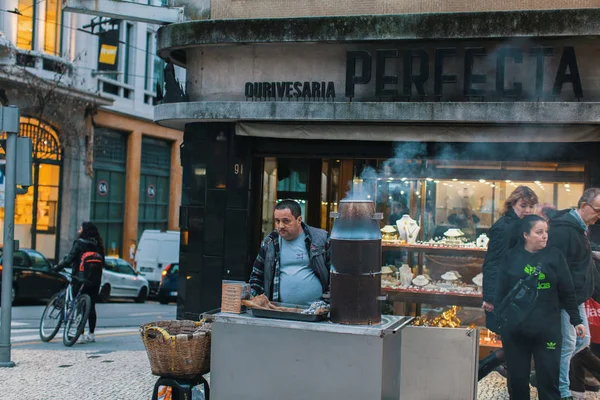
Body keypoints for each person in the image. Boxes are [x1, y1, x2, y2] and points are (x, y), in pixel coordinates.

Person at [495, 215, 586, 400]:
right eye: (539, 232)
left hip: (547, 329)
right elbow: (500, 293)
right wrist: (498, 323)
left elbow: (568, 292)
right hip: (515, 330)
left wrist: (577, 321)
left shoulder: (555, 256)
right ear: (526, 235)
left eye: (546, 232)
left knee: (549, 380)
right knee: (518, 381)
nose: (545, 236)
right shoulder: (511, 257)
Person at [478, 185, 538, 382]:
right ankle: (480, 371)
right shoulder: (504, 226)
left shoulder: (521, 225)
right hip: (505, 296)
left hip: (517, 295)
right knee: (516, 347)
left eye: (531, 206)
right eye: (523, 205)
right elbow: (492, 265)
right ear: (512, 203)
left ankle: (485, 371)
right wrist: (489, 298)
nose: (528, 210)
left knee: (517, 346)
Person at [548, 188, 600, 400]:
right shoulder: (565, 230)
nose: (599, 215)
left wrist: (593, 251)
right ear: (584, 205)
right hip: (567, 299)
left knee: (582, 341)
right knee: (569, 344)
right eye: (597, 210)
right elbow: (560, 268)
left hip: (577, 298)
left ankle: (560, 380)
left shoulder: (579, 228)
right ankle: (562, 391)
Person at [249, 199, 330, 304]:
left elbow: (336, 276)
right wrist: (255, 299)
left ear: (299, 220)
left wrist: (328, 303)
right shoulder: (270, 242)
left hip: (316, 312)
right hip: (278, 310)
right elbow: (257, 276)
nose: (280, 226)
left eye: (286, 221)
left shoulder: (320, 239)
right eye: (277, 221)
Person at [55, 221, 105, 343]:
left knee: (79, 304)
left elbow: (69, 258)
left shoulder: (79, 243)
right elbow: (103, 262)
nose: (78, 230)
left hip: (79, 278)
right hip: (95, 280)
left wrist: (57, 267)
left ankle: (80, 335)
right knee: (91, 306)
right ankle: (91, 334)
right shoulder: (98, 245)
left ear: (84, 231)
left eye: (80, 228)